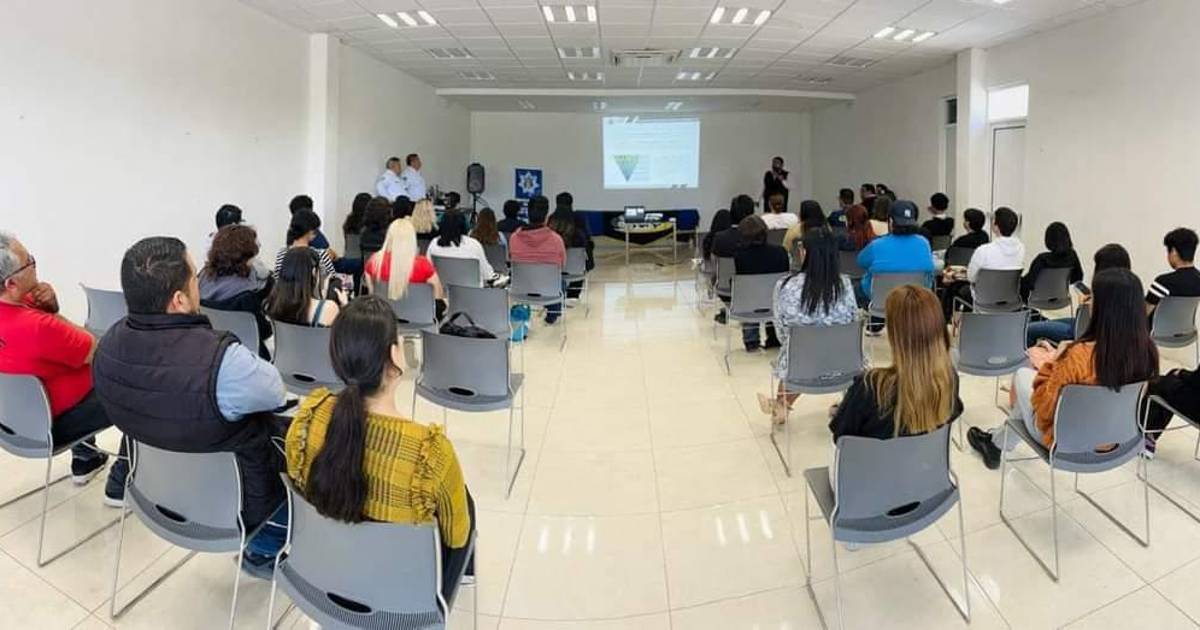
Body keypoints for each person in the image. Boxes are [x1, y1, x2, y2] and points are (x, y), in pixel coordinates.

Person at [92, 237, 290, 575]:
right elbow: (276, 394)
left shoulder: (107, 345)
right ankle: (264, 550)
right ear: (180, 300)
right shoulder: (222, 360)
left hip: (153, 490)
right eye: (194, 277)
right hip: (234, 504)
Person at [285, 296, 473, 599]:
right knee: (463, 501)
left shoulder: (308, 418)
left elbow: (297, 482)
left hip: (324, 575)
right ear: (394, 355)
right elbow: (457, 537)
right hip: (399, 597)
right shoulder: (429, 453)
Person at [967, 268, 1159, 469]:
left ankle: (995, 443)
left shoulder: (1079, 356)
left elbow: (1044, 410)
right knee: (1026, 401)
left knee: (1023, 375)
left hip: (1067, 442)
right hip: (1117, 440)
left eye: (1093, 297)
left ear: (1105, 308)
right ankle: (995, 443)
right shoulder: (1147, 351)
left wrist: (1053, 364)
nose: (1088, 302)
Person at [0, 233, 127, 506]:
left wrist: (47, 308)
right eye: (29, 262)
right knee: (139, 386)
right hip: (54, 425)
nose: (35, 265)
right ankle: (121, 481)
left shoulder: (22, 310)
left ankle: (86, 457)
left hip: (14, 423)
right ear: (11, 284)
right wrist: (54, 315)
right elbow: (98, 350)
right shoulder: (39, 327)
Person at [829, 285, 962, 440]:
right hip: (926, 456)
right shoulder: (948, 379)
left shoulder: (870, 388)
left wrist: (844, 411)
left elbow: (841, 438)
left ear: (895, 334)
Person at [757, 229, 860, 424]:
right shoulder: (845, 284)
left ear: (804, 252)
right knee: (826, 350)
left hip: (801, 367)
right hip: (844, 367)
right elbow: (852, 320)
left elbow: (781, 333)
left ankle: (781, 405)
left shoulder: (785, 285)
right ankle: (848, 405)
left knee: (796, 352)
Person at [1025, 243, 1131, 348]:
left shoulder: (1103, 292)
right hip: (1080, 326)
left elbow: (1089, 326)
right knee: (1046, 323)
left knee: (1028, 330)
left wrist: (1083, 307)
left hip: (1082, 332)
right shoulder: (1128, 290)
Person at [199, 225, 275, 357]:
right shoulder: (247, 293)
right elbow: (264, 332)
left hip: (213, 351)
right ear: (245, 256)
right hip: (249, 355)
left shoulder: (201, 281)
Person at [940, 206, 1024, 319]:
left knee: (957, 289)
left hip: (983, 299)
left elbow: (971, 277)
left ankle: (953, 321)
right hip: (1009, 299)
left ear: (996, 226)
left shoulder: (983, 250)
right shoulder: (1021, 248)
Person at [855, 200, 935, 308]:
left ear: (891, 221)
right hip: (914, 307)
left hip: (880, 306)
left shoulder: (877, 245)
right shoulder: (924, 243)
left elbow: (860, 262)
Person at [733, 215, 789, 352]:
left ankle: (751, 340)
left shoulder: (739, 256)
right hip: (775, 303)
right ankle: (774, 337)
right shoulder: (780, 252)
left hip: (749, 304)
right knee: (773, 292)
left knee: (747, 293)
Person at [509, 195, 567, 324]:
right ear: (546, 216)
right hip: (549, 291)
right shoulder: (556, 240)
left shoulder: (514, 238)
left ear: (527, 213)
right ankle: (552, 315)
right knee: (560, 282)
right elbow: (562, 265)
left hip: (520, 290)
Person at [266, 248, 348, 327]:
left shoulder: (272, 305)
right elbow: (345, 333)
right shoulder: (328, 308)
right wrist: (345, 306)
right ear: (314, 272)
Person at [427, 210, 495, 287]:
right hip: (471, 292)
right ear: (464, 226)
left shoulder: (434, 244)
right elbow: (487, 275)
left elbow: (428, 272)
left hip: (442, 292)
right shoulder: (474, 245)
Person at [1020, 221, 1083, 301]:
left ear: (1048, 240)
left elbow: (1029, 284)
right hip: (1061, 299)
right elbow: (1078, 277)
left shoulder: (1042, 259)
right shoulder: (1072, 256)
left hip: (1038, 300)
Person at [1146, 227, 1200, 318]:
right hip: (1186, 327)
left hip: (1159, 327)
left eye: (1168, 252)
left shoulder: (1163, 283)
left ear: (1174, 252)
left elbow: (1142, 314)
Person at [275, 208, 335, 277]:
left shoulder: (282, 253)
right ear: (311, 231)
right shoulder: (320, 255)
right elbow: (332, 279)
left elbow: (277, 279)